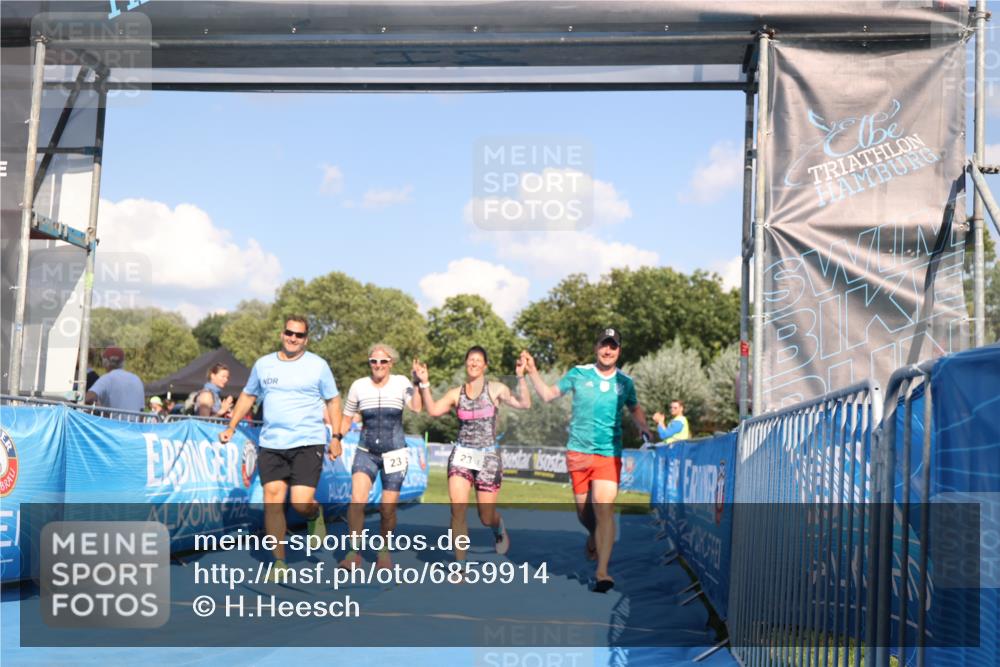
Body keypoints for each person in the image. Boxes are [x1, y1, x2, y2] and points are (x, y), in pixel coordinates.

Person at [524, 328, 653, 593]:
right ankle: (593, 535)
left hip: (608, 453)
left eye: (613, 346)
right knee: (584, 512)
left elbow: (634, 406)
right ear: (596, 348)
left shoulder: (625, 383)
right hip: (578, 453)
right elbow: (548, 395)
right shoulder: (578, 373)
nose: (608, 351)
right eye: (604, 345)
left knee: (604, 507)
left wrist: (643, 426)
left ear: (619, 350)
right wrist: (533, 371)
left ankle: (602, 571)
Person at [219, 316, 342, 581]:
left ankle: (314, 514)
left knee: (300, 502)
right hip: (272, 443)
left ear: (306, 339)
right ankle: (278, 562)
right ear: (282, 334)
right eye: (289, 333)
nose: (293, 338)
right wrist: (231, 426)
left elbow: (333, 400)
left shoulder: (318, 366)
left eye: (299, 335)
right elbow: (249, 396)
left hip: (307, 442)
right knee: (272, 501)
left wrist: (336, 436)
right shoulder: (263, 365)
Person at [415, 346, 531, 562]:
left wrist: (520, 377)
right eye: (470, 359)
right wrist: (424, 383)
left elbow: (525, 404)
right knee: (457, 509)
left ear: (485, 365)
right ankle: (460, 564)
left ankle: (498, 527)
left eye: (478, 360)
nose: (474, 363)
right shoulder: (455, 393)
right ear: (466, 363)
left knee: (485, 517)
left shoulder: (496, 389)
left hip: (488, 458)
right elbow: (432, 410)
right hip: (461, 455)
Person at [338, 343, 423, 570]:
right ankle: (353, 552)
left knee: (388, 508)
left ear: (390, 364)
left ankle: (383, 551)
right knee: (357, 501)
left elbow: (416, 408)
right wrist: (336, 438)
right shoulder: (359, 386)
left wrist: (418, 383)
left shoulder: (401, 382)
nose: (378, 365)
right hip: (366, 452)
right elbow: (347, 418)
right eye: (374, 361)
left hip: (395, 452)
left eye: (383, 361)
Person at [85, 346, 144, 412]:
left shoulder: (107, 378)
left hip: (112, 422)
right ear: (122, 362)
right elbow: (141, 410)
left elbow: (88, 398)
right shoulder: (136, 379)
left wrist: (99, 408)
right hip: (133, 422)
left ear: (105, 362)